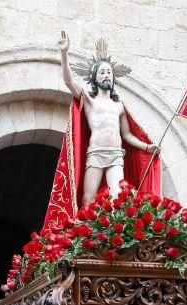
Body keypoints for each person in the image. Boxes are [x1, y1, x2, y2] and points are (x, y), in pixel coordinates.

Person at [57, 31, 159, 206]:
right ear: (94, 78)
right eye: (102, 72)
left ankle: (112, 232)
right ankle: (86, 232)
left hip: (115, 155)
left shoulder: (119, 106)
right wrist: (64, 53)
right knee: (88, 198)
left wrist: (147, 147)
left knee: (117, 196)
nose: (107, 75)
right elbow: (68, 81)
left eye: (109, 73)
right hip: (96, 153)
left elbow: (127, 135)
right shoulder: (89, 101)